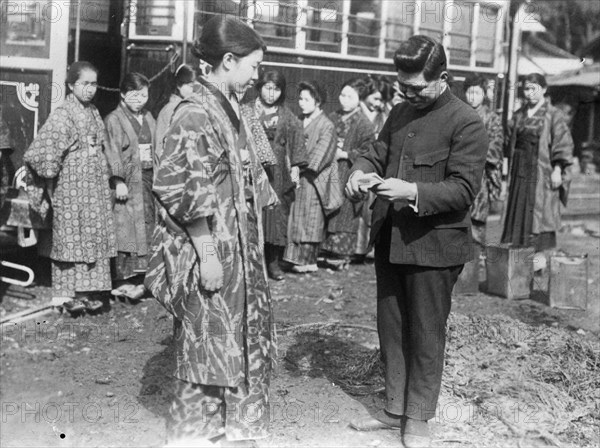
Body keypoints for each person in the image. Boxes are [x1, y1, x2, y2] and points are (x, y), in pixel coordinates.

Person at [345, 36, 487, 448]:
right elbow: (375, 152)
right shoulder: (399, 111)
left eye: (416, 88)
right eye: (401, 87)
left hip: (434, 246)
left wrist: (412, 193)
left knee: (425, 332)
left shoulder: (466, 122)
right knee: (391, 326)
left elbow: (462, 190)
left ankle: (419, 416)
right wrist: (358, 173)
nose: (407, 94)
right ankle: (394, 407)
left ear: (442, 78)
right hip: (391, 238)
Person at [144, 16, 278, 447]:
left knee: (235, 340)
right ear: (227, 60)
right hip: (213, 251)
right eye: (253, 66)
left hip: (238, 251)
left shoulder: (232, 107)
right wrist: (207, 254)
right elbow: (178, 186)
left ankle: (229, 432)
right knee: (206, 346)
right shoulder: (195, 113)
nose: (257, 75)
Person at [23, 61, 117, 313]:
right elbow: (40, 152)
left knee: (93, 237)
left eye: (94, 84)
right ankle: (66, 296)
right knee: (69, 238)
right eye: (85, 84)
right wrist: (51, 174)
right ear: (70, 85)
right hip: (70, 187)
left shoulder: (94, 112)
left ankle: (88, 292)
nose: (90, 89)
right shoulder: (63, 114)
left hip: (94, 187)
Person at [501, 73, 574, 271]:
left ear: (544, 89)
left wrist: (558, 169)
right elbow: (508, 143)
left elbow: (563, 144)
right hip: (520, 171)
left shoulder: (553, 114)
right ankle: (521, 267)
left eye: (534, 88)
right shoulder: (519, 114)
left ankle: (538, 265)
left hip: (541, 170)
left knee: (540, 218)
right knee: (520, 215)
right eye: (526, 89)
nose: (530, 93)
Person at [104, 73, 156, 299]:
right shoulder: (114, 119)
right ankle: (123, 279)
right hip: (127, 182)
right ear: (123, 94)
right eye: (134, 95)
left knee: (146, 227)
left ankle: (142, 279)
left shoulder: (149, 116)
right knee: (125, 229)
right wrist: (118, 180)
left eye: (143, 95)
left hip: (148, 178)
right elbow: (111, 150)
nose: (139, 100)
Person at [283, 80, 342, 273]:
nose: (301, 103)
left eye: (306, 99)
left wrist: (298, 166)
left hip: (313, 180)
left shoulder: (327, 126)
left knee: (310, 219)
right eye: (300, 98)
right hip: (296, 177)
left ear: (318, 101)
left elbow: (321, 155)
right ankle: (292, 259)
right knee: (294, 218)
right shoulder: (298, 120)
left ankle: (308, 260)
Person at [254, 70, 308, 280]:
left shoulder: (287, 116)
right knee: (253, 212)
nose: (271, 93)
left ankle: (273, 262)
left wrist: (295, 168)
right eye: (268, 87)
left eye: (276, 89)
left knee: (276, 216)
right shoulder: (247, 111)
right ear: (259, 87)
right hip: (253, 170)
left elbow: (297, 145)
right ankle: (253, 263)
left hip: (277, 174)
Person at [321, 78, 375, 269]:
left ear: (359, 99)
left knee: (345, 210)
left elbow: (369, 150)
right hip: (329, 169)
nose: (344, 99)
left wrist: (345, 153)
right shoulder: (333, 116)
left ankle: (341, 254)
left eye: (349, 96)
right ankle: (324, 249)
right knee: (328, 205)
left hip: (349, 170)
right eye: (342, 95)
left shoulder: (364, 124)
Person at [463, 74, 504, 247]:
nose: (473, 97)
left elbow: (496, 147)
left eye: (477, 93)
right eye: (470, 93)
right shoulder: (456, 115)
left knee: (476, 229)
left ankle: (474, 269)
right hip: (455, 175)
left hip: (480, 176)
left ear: (484, 94)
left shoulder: (492, 118)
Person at [154, 64, 197, 164]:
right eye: (191, 86)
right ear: (178, 85)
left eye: (197, 87)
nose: (194, 91)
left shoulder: (189, 106)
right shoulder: (171, 109)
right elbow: (161, 147)